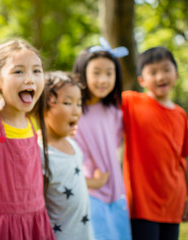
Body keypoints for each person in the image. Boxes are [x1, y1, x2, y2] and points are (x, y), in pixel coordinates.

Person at [0, 39, 55, 239]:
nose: (30, 79)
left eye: (36, 71)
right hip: (1, 227)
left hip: (36, 222)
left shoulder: (34, 122)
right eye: (18, 71)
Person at [121, 47, 188, 240]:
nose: (161, 76)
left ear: (176, 73)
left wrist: (186, 199)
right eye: (153, 72)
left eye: (166, 69)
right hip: (142, 203)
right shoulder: (131, 102)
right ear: (142, 80)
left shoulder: (181, 115)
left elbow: (183, 159)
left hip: (174, 202)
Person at [72, 37, 132, 240]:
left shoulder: (114, 110)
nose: (103, 80)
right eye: (96, 73)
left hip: (117, 192)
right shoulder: (75, 110)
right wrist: (90, 181)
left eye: (109, 73)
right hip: (90, 193)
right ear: (83, 73)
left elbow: (116, 146)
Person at [39, 71, 94, 240]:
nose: (76, 111)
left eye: (78, 104)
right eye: (68, 103)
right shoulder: (39, 152)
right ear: (44, 107)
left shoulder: (74, 146)